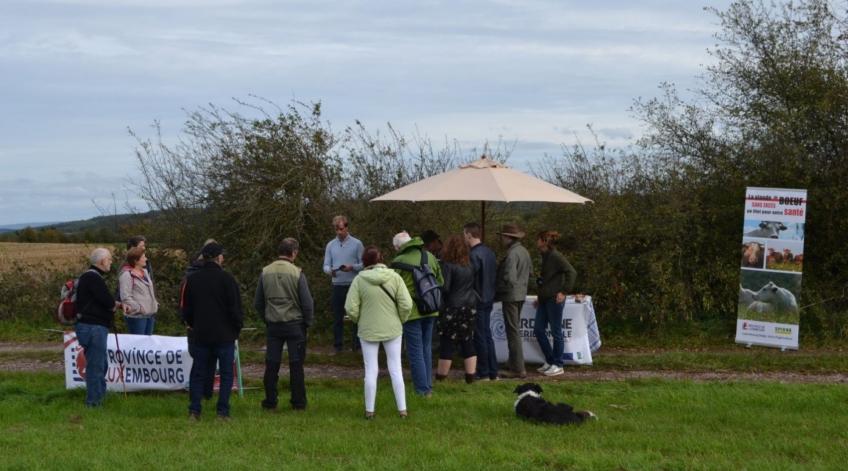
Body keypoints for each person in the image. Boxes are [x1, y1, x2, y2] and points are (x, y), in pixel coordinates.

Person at [345, 246, 413, 419]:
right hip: (393, 328)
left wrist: (359, 320)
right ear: (382, 260)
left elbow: (350, 308)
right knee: (396, 368)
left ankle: (369, 411)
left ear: (365, 262)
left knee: (371, 370)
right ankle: (402, 410)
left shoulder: (359, 280)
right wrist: (400, 319)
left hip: (367, 329)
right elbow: (407, 305)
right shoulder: (395, 277)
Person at [181, 242, 243, 420]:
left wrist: (193, 325)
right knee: (225, 374)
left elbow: (186, 310)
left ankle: (194, 410)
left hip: (201, 333)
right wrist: (236, 328)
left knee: (198, 372)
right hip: (224, 335)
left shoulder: (192, 280)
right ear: (218, 257)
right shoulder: (228, 279)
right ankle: (222, 412)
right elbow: (235, 309)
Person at [255, 238, 313, 411]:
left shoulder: (265, 272)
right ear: (293, 253)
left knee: (272, 364)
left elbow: (258, 302)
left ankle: (270, 401)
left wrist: (266, 318)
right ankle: (298, 402)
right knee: (296, 365)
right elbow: (307, 302)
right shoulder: (297, 273)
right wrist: (308, 323)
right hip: (295, 324)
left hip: (273, 325)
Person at [391, 231, 443, 397]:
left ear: (398, 247)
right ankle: (428, 385)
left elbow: (393, 288)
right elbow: (440, 281)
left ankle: (422, 390)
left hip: (412, 311)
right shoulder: (429, 256)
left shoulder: (398, 261)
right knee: (426, 347)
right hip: (431, 308)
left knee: (415, 350)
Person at [74, 247, 119, 407]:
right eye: (109, 259)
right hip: (93, 327)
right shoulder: (94, 278)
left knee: (101, 364)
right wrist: (114, 305)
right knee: (96, 366)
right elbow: (107, 301)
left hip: (89, 326)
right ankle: (94, 402)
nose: (111, 262)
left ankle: (100, 396)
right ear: (101, 261)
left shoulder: (89, 277)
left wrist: (113, 304)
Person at [533, 230, 577, 377]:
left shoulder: (556, 256)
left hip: (554, 300)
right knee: (538, 329)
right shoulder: (545, 256)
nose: (536, 242)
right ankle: (550, 360)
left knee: (556, 332)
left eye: (538, 239)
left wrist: (564, 292)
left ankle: (558, 364)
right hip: (545, 299)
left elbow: (571, 271)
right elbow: (546, 280)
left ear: (544, 241)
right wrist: (540, 296)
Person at [435, 234, 478, 384]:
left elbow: (445, 288)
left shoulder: (447, 266)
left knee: (447, 341)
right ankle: (470, 377)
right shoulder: (470, 265)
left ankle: (441, 378)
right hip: (470, 306)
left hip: (453, 307)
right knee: (467, 339)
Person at [180, 239, 218, 400]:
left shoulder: (190, 273)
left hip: (203, 324)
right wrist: (189, 322)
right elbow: (184, 302)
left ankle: (205, 394)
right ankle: (199, 395)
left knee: (207, 361)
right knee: (201, 361)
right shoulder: (191, 275)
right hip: (199, 325)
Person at [495, 223, 533, 379]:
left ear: (508, 237)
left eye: (503, 236)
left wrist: (498, 288)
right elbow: (530, 273)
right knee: (514, 329)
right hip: (521, 294)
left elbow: (509, 278)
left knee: (513, 332)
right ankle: (513, 362)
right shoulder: (524, 251)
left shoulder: (512, 254)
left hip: (510, 296)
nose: (502, 239)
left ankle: (518, 369)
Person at [322, 215, 364, 353]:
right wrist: (330, 271)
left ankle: (356, 346)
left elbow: (364, 264)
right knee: (337, 316)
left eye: (341, 229)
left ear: (346, 227)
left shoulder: (357, 244)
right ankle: (338, 346)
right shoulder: (330, 245)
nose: (339, 232)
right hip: (337, 284)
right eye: (336, 229)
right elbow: (326, 265)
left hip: (353, 284)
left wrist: (352, 267)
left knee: (355, 316)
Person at [463, 222, 499, 381]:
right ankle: (493, 372)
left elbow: (469, 277)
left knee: (480, 336)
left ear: (469, 235)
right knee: (487, 335)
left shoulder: (473, 255)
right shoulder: (490, 252)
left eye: (464, 234)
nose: (464, 237)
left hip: (477, 298)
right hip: (489, 297)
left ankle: (483, 372)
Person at [118, 246, 158, 335]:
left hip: (150, 315)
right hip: (137, 317)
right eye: (143, 257)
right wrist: (139, 308)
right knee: (138, 344)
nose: (146, 259)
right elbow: (125, 296)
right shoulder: (126, 275)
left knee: (147, 345)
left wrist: (154, 304)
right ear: (136, 260)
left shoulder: (145, 272)